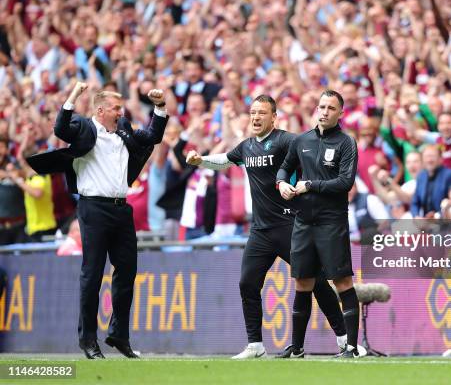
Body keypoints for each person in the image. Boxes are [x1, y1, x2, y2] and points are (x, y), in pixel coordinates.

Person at [186, 95, 347, 359]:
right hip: (261, 230)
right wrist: (200, 161)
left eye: (262, 113)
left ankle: (344, 339)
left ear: (274, 117)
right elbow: (226, 160)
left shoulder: (287, 140)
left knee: (316, 281)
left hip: (290, 224)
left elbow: (312, 153)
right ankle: (255, 345)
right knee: (247, 283)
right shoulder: (247, 146)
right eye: (252, 113)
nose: (256, 118)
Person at [26, 82, 169, 359]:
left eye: (122, 108)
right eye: (116, 108)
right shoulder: (84, 127)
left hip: (121, 209)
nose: (121, 112)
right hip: (93, 209)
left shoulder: (124, 130)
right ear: (101, 110)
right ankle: (88, 340)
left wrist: (160, 106)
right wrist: (73, 95)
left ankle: (118, 335)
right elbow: (60, 129)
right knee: (92, 274)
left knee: (127, 271)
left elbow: (153, 136)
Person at [276, 89, 361, 358]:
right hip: (303, 221)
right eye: (321, 106)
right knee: (303, 282)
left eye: (330, 108)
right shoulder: (301, 141)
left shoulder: (346, 143)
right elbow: (284, 168)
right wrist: (281, 184)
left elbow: (345, 182)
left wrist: (309, 185)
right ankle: (297, 347)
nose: (324, 111)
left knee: (342, 281)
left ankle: (351, 347)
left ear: (340, 113)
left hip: (331, 221)